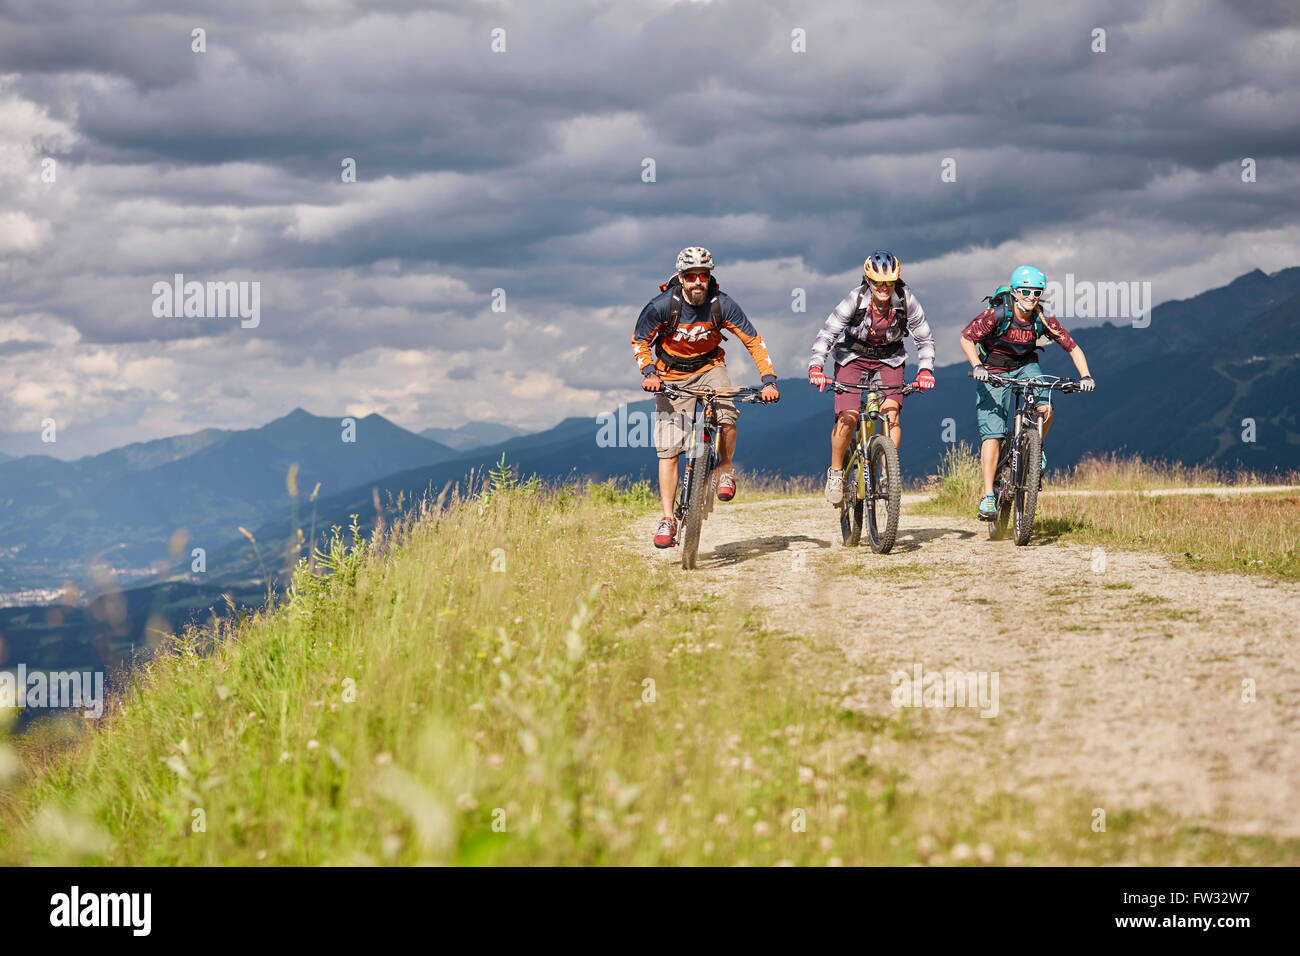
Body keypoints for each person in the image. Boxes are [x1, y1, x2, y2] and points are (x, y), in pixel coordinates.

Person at [632, 246, 780, 548]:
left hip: (710, 366)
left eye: (703, 275)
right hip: (671, 374)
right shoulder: (661, 306)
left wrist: (768, 380)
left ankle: (725, 470)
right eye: (691, 276)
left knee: (726, 414)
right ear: (681, 278)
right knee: (669, 449)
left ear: (709, 276)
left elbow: (753, 340)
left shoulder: (721, 305)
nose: (697, 281)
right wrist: (649, 373)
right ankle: (667, 519)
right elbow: (640, 341)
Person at [958, 265, 1095, 519]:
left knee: (1046, 408)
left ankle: (1036, 447)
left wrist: (1085, 376)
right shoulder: (996, 315)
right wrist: (977, 366)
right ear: (1015, 291)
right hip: (993, 368)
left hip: (1026, 367)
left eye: (1037, 292)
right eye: (1026, 291)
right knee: (993, 434)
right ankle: (988, 496)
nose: (1032, 297)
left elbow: (1072, 347)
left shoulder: (1042, 318)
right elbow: (966, 338)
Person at [807, 250, 936, 505]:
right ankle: (835, 473)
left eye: (889, 282)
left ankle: (889, 475)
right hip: (852, 357)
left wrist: (925, 371)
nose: (884, 287)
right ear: (868, 280)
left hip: (890, 358)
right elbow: (827, 334)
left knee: (891, 414)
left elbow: (924, 337)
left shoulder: (906, 299)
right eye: (878, 282)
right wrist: (816, 367)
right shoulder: (854, 299)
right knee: (848, 417)